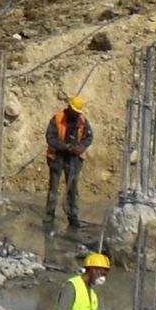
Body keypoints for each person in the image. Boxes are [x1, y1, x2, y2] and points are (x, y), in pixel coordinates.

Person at [44, 96, 93, 233]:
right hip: (57, 157)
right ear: (69, 108)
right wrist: (65, 147)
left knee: (73, 189)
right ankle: (49, 215)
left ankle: (73, 217)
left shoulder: (82, 121)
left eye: (78, 112)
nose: (76, 114)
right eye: (74, 111)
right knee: (53, 187)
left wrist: (81, 147)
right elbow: (50, 137)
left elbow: (89, 137)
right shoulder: (58, 118)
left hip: (74, 159)